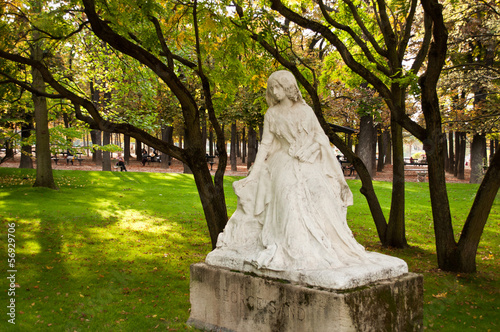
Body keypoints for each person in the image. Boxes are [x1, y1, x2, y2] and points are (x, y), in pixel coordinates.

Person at [206, 70, 374, 271]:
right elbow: (266, 146)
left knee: (321, 194)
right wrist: (256, 173)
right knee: (289, 194)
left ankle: (328, 246)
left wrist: (309, 149)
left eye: (278, 87)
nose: (274, 91)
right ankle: (295, 249)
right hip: (282, 161)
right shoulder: (272, 114)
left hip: (308, 162)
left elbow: (320, 138)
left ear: (287, 87)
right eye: (271, 88)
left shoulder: (306, 112)